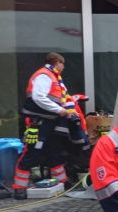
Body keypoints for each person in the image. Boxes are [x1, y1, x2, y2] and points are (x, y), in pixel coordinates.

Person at [13, 52, 82, 199]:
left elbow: (61, 98)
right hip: (39, 121)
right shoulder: (44, 75)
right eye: (63, 64)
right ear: (57, 62)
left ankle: (62, 182)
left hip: (51, 120)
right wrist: (60, 110)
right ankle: (19, 187)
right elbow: (39, 97)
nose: (64, 67)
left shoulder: (54, 77)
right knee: (32, 152)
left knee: (55, 150)